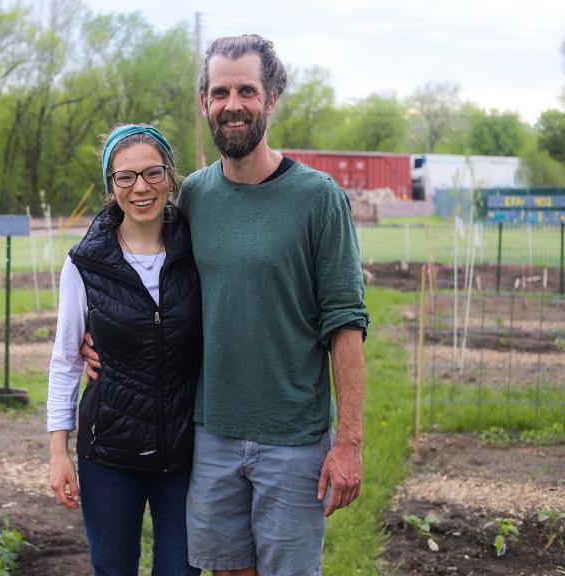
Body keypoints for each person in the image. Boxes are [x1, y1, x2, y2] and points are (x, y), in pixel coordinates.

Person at [84, 35, 369, 575]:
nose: (232, 104)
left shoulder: (318, 197)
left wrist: (349, 441)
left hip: (294, 437)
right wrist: (94, 326)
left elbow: (346, 325)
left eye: (246, 90)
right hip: (211, 433)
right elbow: (133, 262)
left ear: (273, 97)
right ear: (204, 103)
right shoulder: (193, 196)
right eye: (220, 91)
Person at [47, 124, 202, 576]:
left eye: (152, 173)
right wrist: (59, 452)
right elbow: (65, 360)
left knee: (182, 571)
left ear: (171, 177)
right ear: (111, 185)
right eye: (125, 177)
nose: (141, 188)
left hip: (186, 452)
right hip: (110, 454)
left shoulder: (199, 251)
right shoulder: (84, 264)